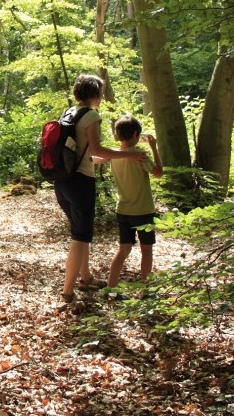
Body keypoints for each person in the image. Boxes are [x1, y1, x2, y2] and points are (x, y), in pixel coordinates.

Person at [55, 74, 146, 305]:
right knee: (80, 237)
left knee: (80, 232)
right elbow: (98, 149)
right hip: (80, 183)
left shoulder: (68, 113)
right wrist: (129, 153)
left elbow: (89, 155)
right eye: (101, 92)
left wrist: (104, 159)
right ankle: (67, 293)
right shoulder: (91, 115)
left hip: (62, 181)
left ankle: (85, 278)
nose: (102, 97)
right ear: (95, 93)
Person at [106, 115, 163, 293]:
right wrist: (154, 148)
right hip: (143, 211)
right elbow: (159, 173)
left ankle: (111, 289)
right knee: (146, 250)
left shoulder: (114, 155)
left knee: (123, 250)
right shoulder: (140, 155)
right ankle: (145, 291)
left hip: (123, 210)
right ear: (136, 134)